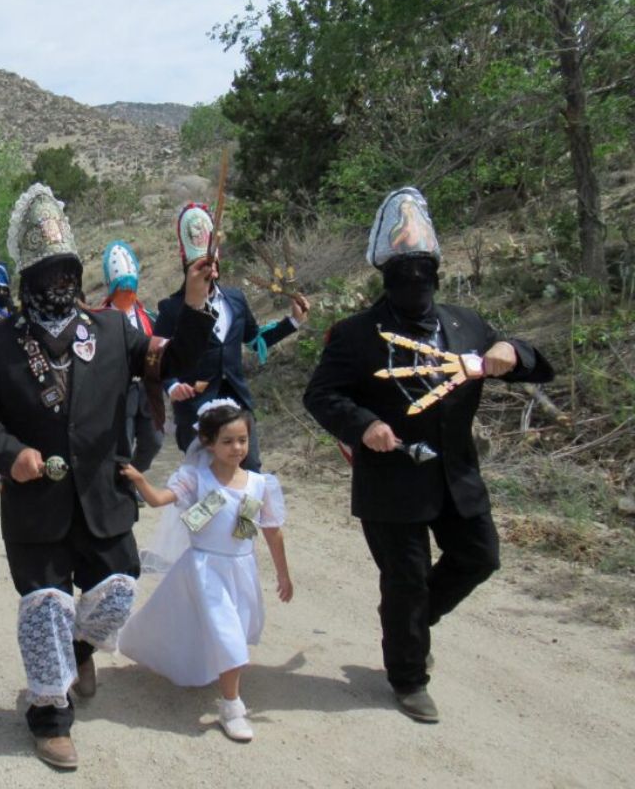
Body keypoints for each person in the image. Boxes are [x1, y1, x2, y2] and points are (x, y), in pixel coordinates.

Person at [0, 183, 217, 770]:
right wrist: (10, 454)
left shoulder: (110, 331)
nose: (60, 284)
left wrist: (197, 305)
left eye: (68, 272)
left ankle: (76, 650)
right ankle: (49, 717)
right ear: (28, 278)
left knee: (119, 591)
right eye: (48, 273)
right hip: (34, 502)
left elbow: (169, 360)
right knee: (47, 602)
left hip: (103, 496)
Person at [303, 187, 554, 723]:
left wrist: (514, 350)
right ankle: (408, 676)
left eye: (423, 272)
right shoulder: (355, 335)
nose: (414, 284)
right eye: (403, 274)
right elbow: (320, 395)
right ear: (386, 277)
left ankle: (412, 623)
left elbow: (530, 364)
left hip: (457, 476)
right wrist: (364, 424)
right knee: (406, 579)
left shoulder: (465, 324)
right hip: (392, 482)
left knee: (480, 556)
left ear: (437, 273)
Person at [118, 400, 292, 742]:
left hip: (240, 571)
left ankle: (220, 679)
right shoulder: (196, 480)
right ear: (209, 443)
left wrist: (284, 574)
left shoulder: (258, 484)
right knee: (228, 635)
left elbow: (269, 531)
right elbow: (159, 499)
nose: (237, 448)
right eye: (227, 441)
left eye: (242, 440)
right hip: (204, 571)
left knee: (234, 631)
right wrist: (139, 479)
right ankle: (232, 706)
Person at [154, 203, 311, 467]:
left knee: (250, 473)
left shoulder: (236, 299)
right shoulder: (171, 309)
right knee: (206, 484)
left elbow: (254, 340)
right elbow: (156, 356)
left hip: (238, 405)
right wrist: (171, 386)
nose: (209, 269)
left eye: (213, 262)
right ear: (188, 265)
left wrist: (292, 321)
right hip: (196, 410)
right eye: (201, 263)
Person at [96, 240, 162, 474]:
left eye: (131, 288)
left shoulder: (150, 318)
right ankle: (122, 488)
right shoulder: (98, 321)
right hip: (116, 395)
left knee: (154, 442)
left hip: (147, 393)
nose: (128, 293)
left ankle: (132, 479)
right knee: (120, 446)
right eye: (123, 289)